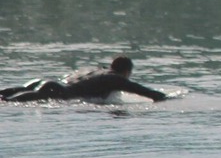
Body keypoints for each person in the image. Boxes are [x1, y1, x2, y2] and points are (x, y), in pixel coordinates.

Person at [1, 55, 167, 103]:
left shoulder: (93, 70)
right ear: (126, 72)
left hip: (47, 82)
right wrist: (165, 97)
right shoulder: (115, 78)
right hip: (58, 92)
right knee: (8, 103)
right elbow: (144, 92)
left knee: (11, 94)